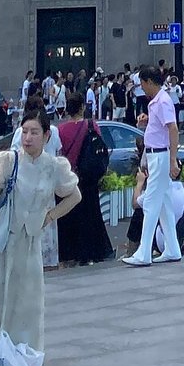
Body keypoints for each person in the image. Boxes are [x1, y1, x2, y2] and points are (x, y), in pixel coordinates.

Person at [0, 110, 79, 366]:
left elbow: (74, 196)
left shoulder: (54, 166)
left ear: (46, 135)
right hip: (1, 247)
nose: (28, 137)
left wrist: (49, 216)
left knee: (25, 316)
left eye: (34, 132)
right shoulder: (7, 160)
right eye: (24, 131)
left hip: (29, 251)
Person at [122, 65, 182, 267]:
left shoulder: (162, 101)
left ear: (149, 82)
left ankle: (144, 251)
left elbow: (173, 128)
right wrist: (149, 120)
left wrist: (173, 159)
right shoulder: (157, 101)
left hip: (160, 155)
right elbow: (164, 126)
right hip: (156, 154)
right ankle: (172, 248)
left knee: (151, 204)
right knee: (163, 204)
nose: (142, 88)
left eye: (142, 84)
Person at [52, 92, 114, 266]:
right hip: (88, 178)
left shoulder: (61, 130)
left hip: (69, 177)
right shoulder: (91, 125)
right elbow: (99, 148)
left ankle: (71, 254)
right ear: (82, 107)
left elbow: (59, 153)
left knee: (70, 217)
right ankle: (92, 252)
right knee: (91, 215)